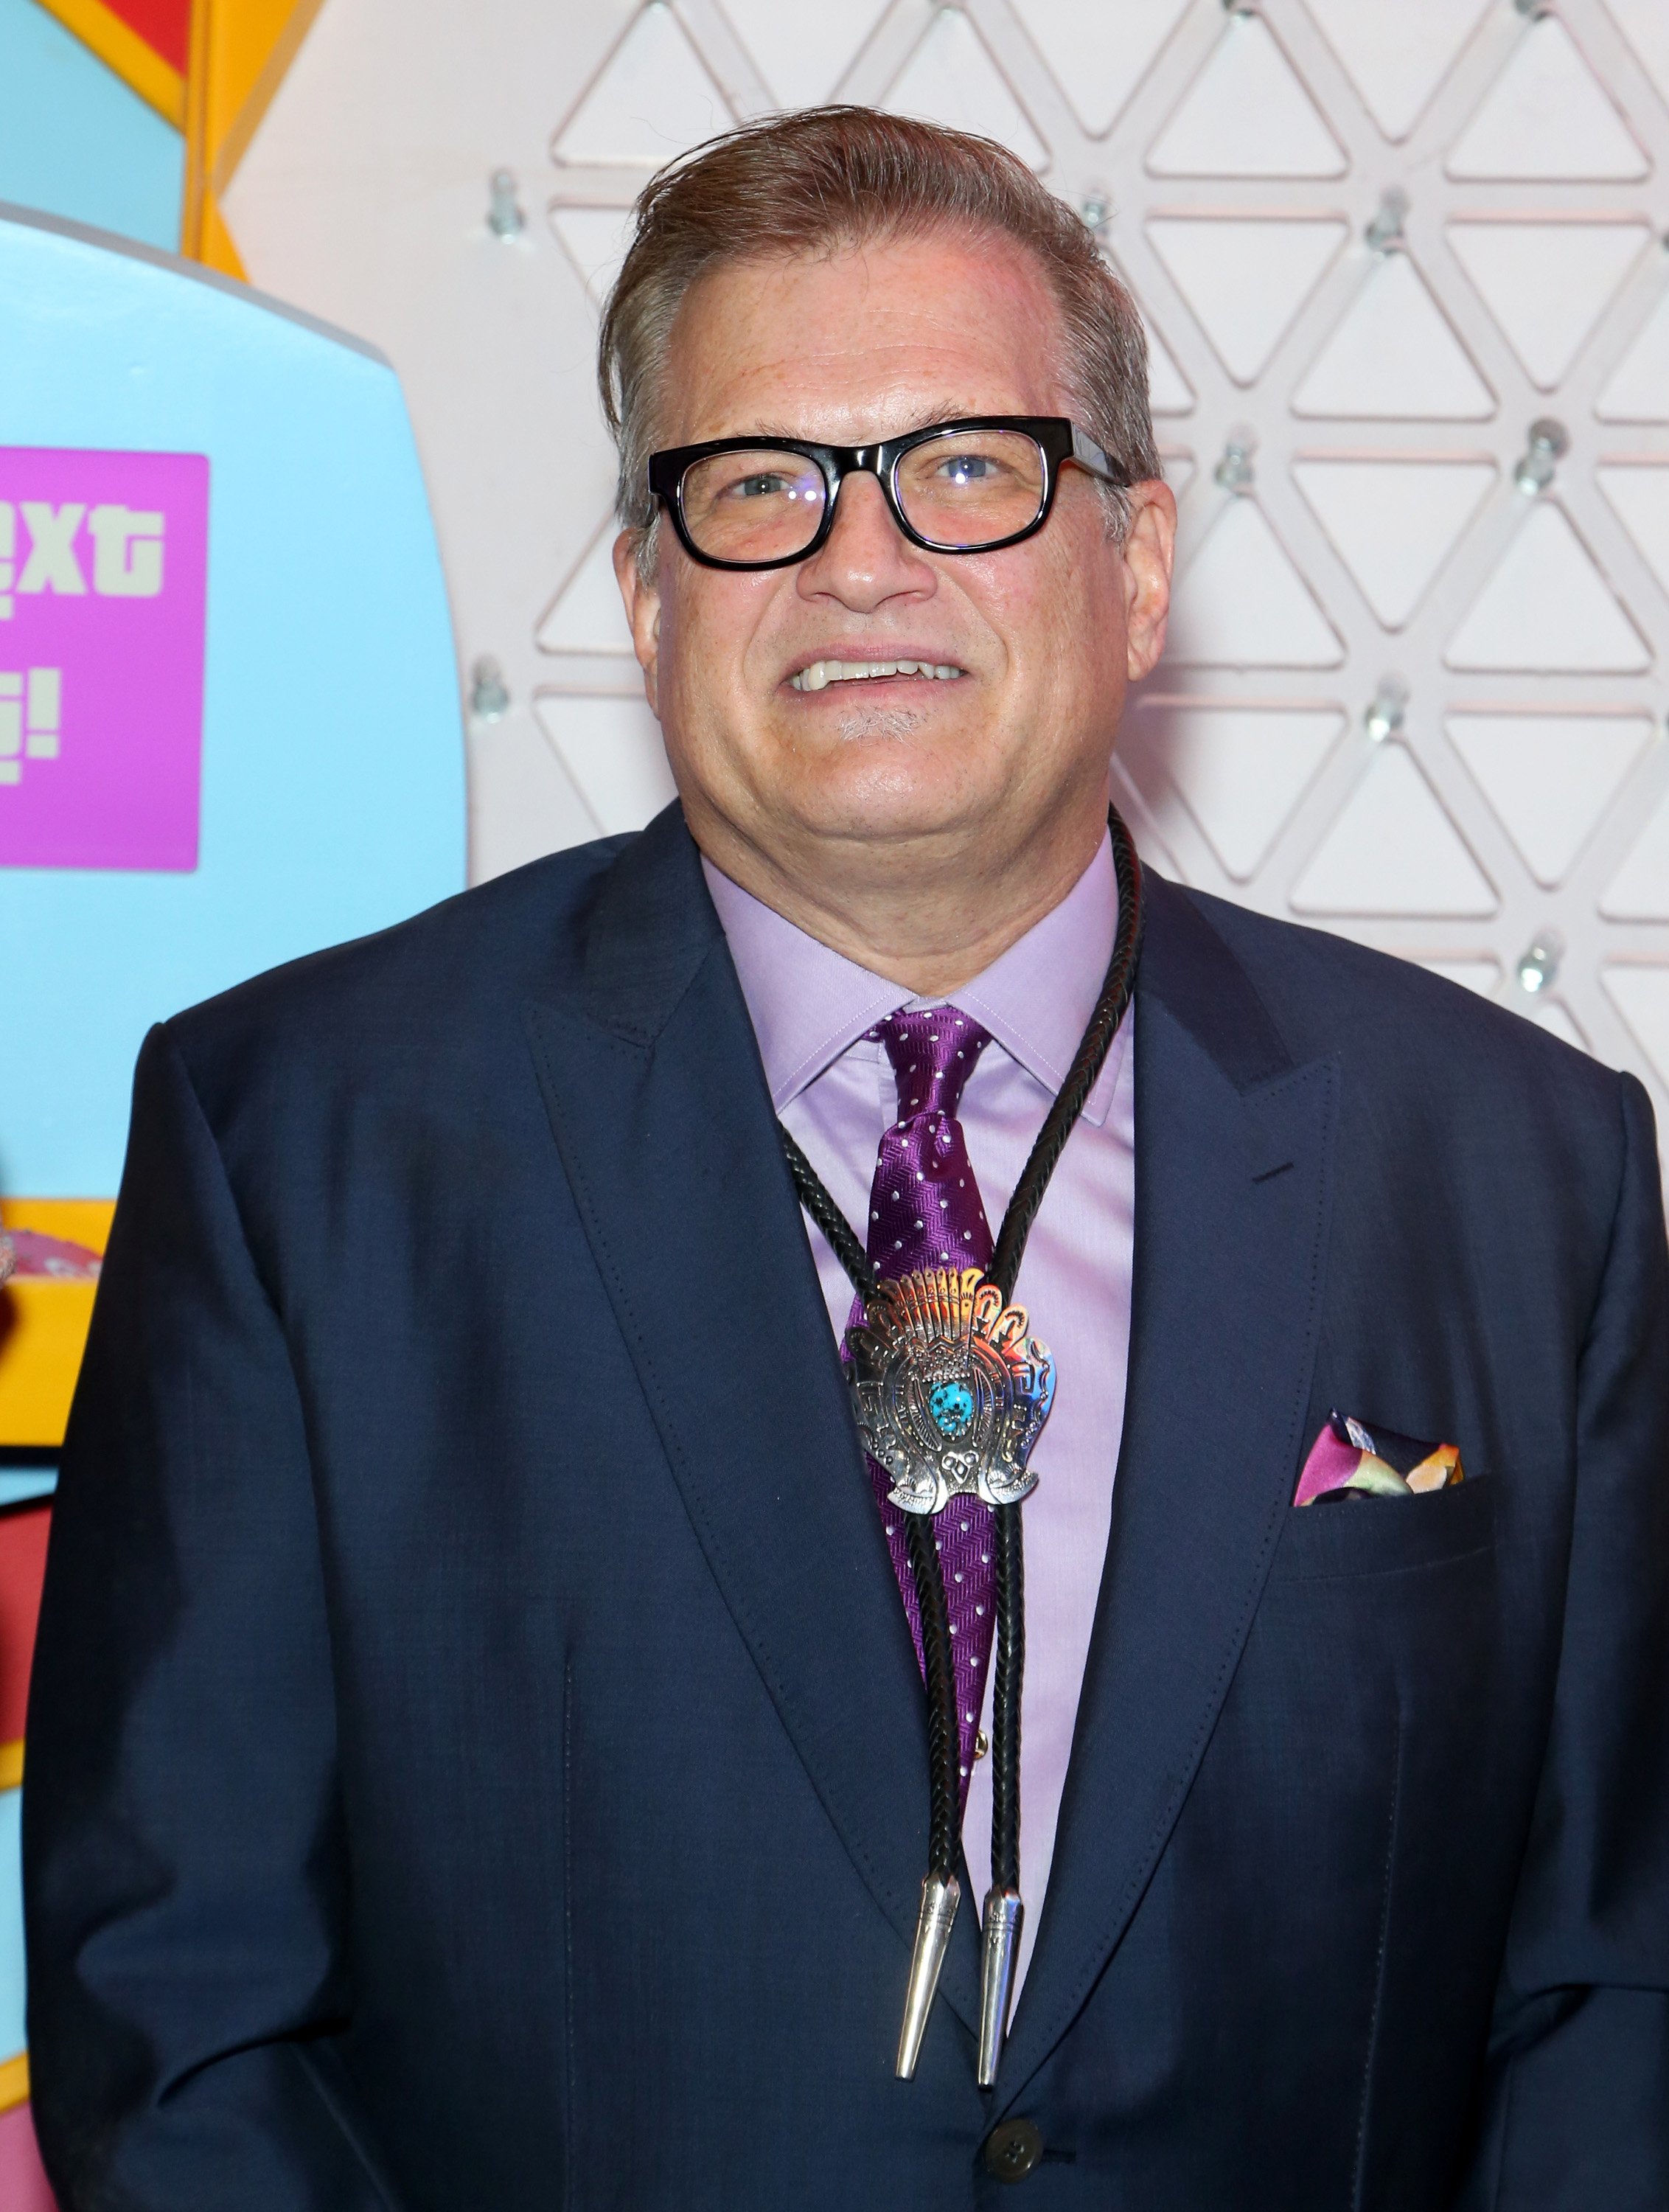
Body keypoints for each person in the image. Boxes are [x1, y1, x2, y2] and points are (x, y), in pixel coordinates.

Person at [23, 108, 1669, 2211]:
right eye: (758, 485)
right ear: (644, 590)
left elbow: (1610, 1998)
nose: (857, 562)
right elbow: (181, 2012)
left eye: (966, 468)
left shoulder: (1526, 1176)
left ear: (1137, 564)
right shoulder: (306, 1153)